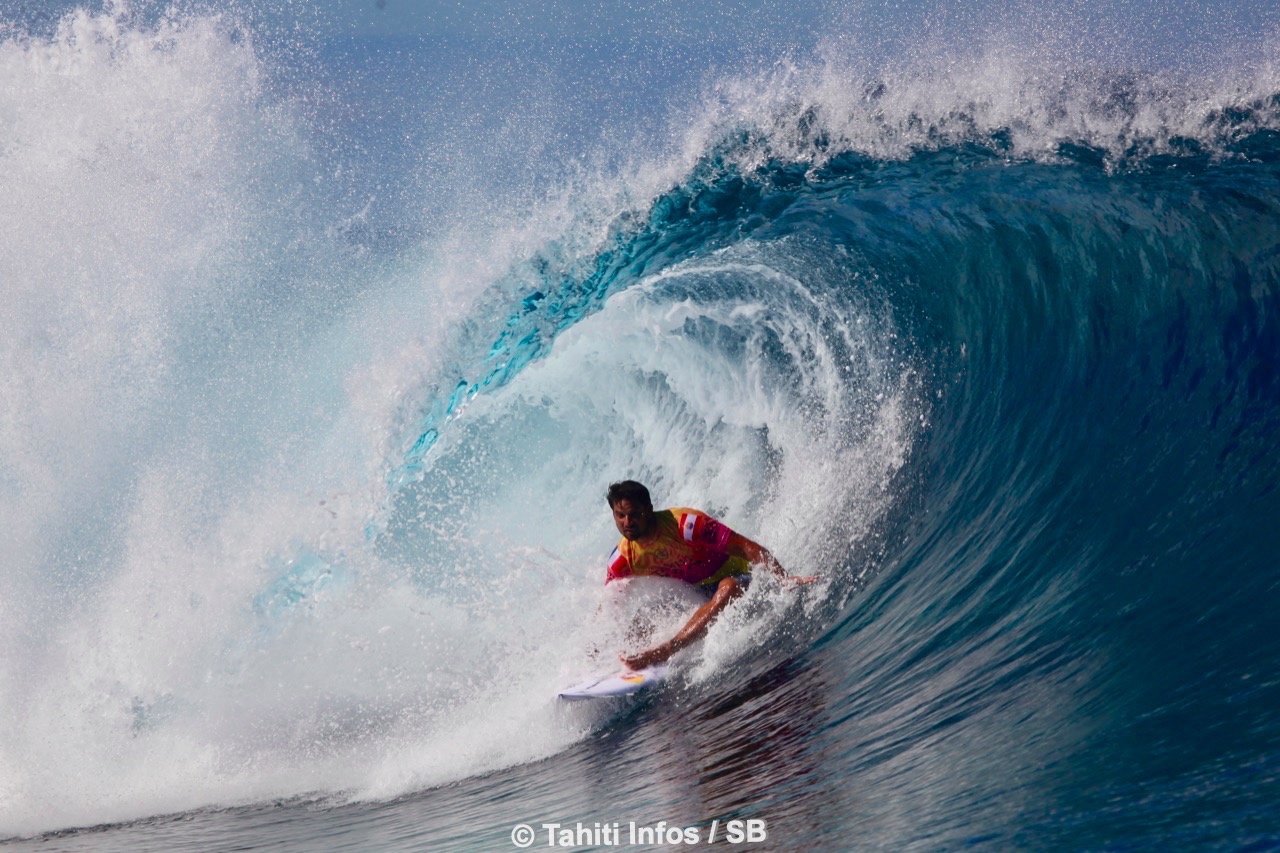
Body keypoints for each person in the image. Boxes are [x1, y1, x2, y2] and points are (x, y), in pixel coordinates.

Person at [604, 480, 816, 670]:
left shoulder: (686, 525)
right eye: (620, 515)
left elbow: (746, 547)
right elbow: (609, 602)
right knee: (643, 615)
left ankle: (668, 649)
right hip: (696, 591)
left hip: (738, 574)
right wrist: (597, 644)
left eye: (634, 514)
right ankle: (622, 661)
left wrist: (783, 577)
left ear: (649, 509)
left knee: (729, 587)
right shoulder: (623, 558)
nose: (627, 522)